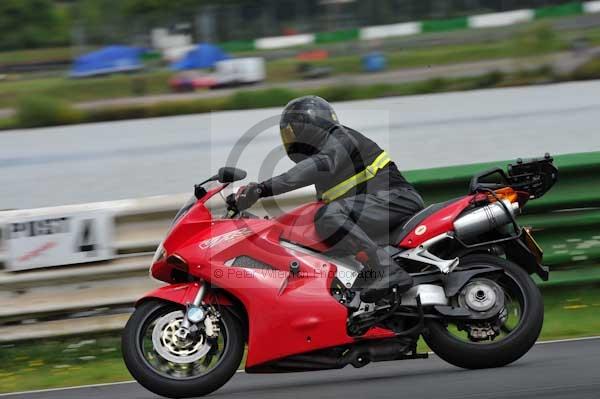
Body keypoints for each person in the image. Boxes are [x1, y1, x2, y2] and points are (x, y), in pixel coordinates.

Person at [235, 96, 424, 303]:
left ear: (309, 126)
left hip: (396, 199)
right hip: (378, 208)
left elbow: (309, 170)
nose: (289, 139)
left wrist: (262, 189)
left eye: (291, 132)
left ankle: (387, 270)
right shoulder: (327, 174)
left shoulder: (341, 139)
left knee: (330, 215)